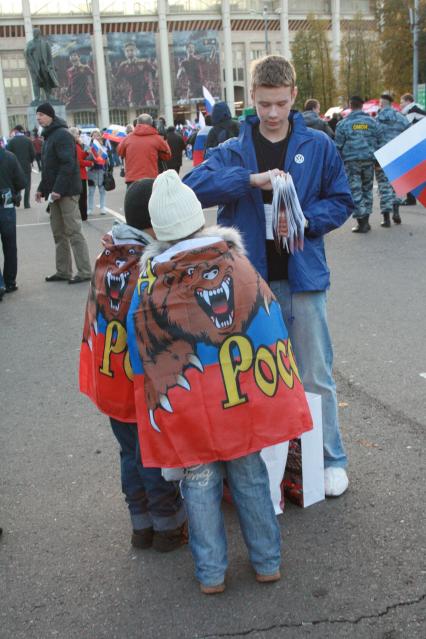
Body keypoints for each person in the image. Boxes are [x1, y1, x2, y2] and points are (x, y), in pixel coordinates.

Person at [127, 170, 312, 593]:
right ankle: (267, 562)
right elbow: (270, 329)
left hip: (190, 407)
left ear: (156, 229)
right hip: (241, 397)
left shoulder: (150, 280)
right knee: (249, 476)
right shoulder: (236, 262)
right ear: (199, 218)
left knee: (200, 482)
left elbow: (144, 352)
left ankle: (211, 575)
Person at [184, 55, 354, 497]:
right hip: (247, 284)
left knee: (315, 374)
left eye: (280, 103)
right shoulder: (232, 146)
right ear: (252, 100)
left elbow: (341, 200)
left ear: (294, 96)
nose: (273, 113)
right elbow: (194, 188)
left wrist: (304, 221)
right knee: (249, 377)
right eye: (264, 104)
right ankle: (260, 465)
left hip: (303, 279)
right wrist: (250, 180)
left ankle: (330, 458)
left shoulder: (318, 144)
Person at [79, 178, 187, 551]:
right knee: (153, 455)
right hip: (141, 384)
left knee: (129, 454)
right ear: (157, 223)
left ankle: (140, 526)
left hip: (112, 381)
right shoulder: (151, 267)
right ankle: (168, 527)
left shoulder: (108, 256)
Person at [35, 102, 91, 284]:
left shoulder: (61, 135)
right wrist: (41, 189)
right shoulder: (49, 136)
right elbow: (49, 168)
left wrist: (57, 190)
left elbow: (68, 164)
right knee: (58, 233)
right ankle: (63, 271)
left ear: (51, 116)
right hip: (55, 193)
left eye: (41, 115)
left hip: (66, 192)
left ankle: (84, 272)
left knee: (74, 232)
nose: (38, 118)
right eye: (37, 116)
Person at [335, 95, 384, 233]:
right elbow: (380, 141)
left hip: (351, 162)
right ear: (362, 106)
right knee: (367, 189)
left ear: (350, 105)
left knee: (355, 190)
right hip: (368, 160)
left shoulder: (343, 124)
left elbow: (337, 146)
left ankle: (361, 222)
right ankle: (365, 221)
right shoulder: (373, 122)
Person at [375, 94, 409, 227]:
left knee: (384, 187)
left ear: (382, 104)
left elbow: (372, 137)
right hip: (398, 156)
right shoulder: (401, 118)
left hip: (382, 157)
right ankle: (396, 212)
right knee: (397, 186)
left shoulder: (376, 120)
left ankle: (386, 218)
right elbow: (409, 135)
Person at [0, 144, 26, 299]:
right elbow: (21, 182)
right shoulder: (9, 157)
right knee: (10, 246)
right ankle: (10, 281)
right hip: (6, 206)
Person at [117, 114, 171, 187]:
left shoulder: (127, 138)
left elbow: (120, 152)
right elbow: (167, 155)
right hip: (151, 178)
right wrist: (163, 139)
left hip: (132, 179)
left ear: (137, 124)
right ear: (152, 124)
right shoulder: (157, 138)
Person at [399, 93, 426, 205]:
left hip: (415, 144)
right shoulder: (418, 109)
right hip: (420, 143)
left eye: (402, 102)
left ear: (408, 101)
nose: (400, 104)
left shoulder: (412, 110)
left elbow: (404, 125)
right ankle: (411, 197)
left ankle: (410, 198)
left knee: (410, 171)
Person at [116, 42, 156, 108]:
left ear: (136, 51)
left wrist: (152, 83)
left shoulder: (143, 62)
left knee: (152, 107)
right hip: (133, 90)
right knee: (132, 109)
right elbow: (117, 78)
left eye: (131, 50)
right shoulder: (123, 65)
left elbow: (153, 71)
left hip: (146, 89)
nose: (129, 52)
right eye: (127, 51)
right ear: (125, 53)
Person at [24, 28, 59, 101]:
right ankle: (37, 97)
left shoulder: (45, 43)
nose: (34, 34)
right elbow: (26, 54)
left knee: (46, 80)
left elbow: (49, 56)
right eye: (33, 32)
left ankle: (48, 96)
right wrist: (30, 50)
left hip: (44, 65)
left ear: (39, 33)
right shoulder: (30, 43)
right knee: (35, 81)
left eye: (35, 32)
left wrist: (50, 65)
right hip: (35, 66)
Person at [7, 125, 35, 209]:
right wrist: (30, 161)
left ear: (16, 131)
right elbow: (33, 153)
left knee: (16, 183)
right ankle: (26, 203)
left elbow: (8, 154)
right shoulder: (28, 140)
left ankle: (17, 198)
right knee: (27, 185)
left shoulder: (11, 141)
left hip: (15, 166)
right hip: (26, 166)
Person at [69, 127, 93, 222]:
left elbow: (79, 156)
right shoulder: (75, 145)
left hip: (77, 174)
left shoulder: (74, 145)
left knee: (78, 197)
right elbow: (79, 162)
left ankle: (82, 214)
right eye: (78, 134)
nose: (79, 136)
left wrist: (86, 153)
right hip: (80, 174)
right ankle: (83, 215)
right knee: (82, 197)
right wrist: (90, 163)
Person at [87, 129, 109, 216]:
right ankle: (90, 209)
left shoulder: (104, 147)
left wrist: (105, 159)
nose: (95, 137)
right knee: (91, 191)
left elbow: (107, 160)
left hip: (101, 171)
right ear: (91, 137)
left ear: (100, 136)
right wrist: (92, 155)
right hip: (92, 171)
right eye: (94, 135)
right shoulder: (88, 147)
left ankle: (102, 207)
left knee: (102, 191)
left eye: (97, 135)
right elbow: (86, 159)